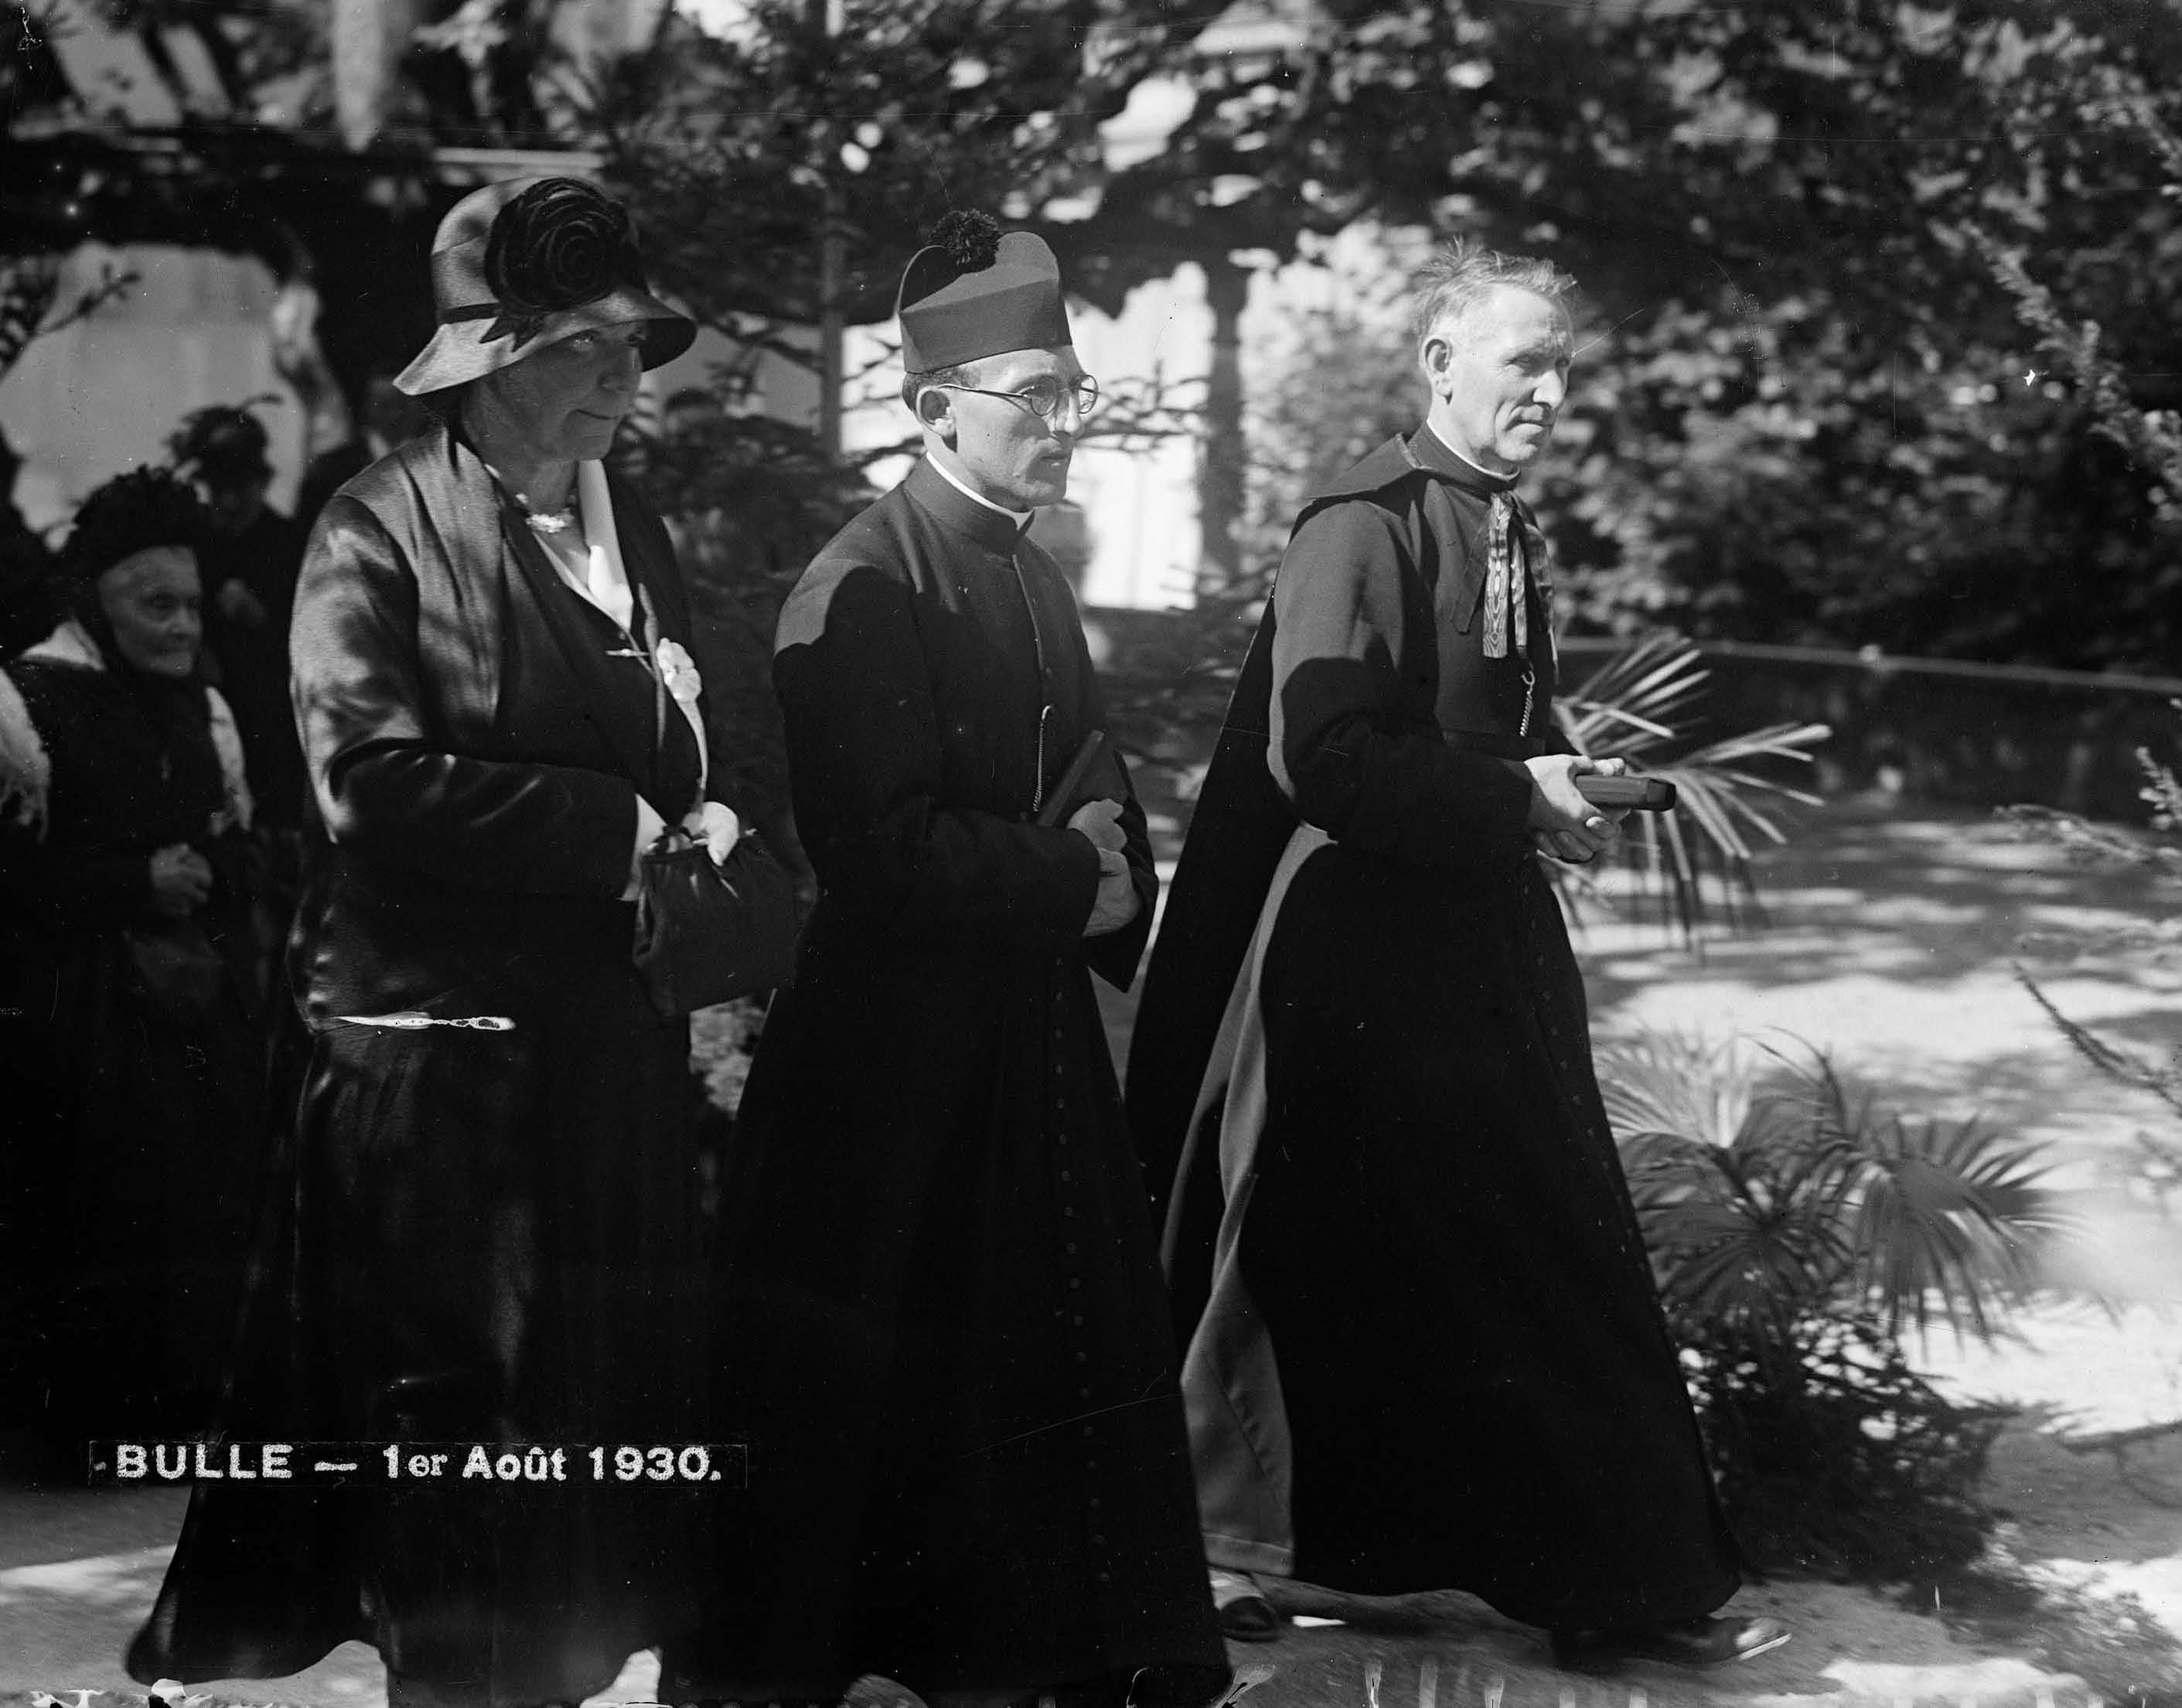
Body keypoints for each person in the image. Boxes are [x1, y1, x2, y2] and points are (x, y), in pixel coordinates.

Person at [1122, 245, 1791, 1675]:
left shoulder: (1496, 517)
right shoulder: (1356, 521)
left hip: (1469, 936)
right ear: (1438, 363)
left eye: (1561, 368)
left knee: (1526, 1244)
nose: (1549, 390)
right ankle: (1241, 1552)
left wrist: (1559, 790)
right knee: (1301, 1267)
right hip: (1348, 962)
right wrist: (1514, 801)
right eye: (1521, 363)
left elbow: (1482, 726)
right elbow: (1325, 755)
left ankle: (1615, 1574)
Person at [128, 175, 731, 1707]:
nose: (626, 381)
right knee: (455, 1414)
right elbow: (366, 783)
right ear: (497, 359)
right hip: (432, 1056)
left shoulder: (627, 526)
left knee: (590, 1416)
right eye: (591, 350)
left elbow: (681, 734)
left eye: (633, 349)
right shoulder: (376, 524)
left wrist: (710, 825)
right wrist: (622, 832)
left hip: (598, 1045)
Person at [695, 211, 1229, 1707]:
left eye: (1072, 393)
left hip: (1022, 1040)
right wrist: (1075, 873)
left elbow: (1083, 777)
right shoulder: (857, 585)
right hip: (891, 1064)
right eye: (1032, 397)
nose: (1064, 424)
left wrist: (1113, 866)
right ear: (935, 409)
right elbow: (880, 848)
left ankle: (1023, 1648)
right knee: (885, 1367)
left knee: (1017, 1360)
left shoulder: (1031, 573)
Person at [0, 466, 266, 1455]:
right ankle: (61, 1432)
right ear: (93, 600)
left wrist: (213, 872)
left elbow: (240, 846)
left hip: (184, 1026)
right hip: (62, 1032)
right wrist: (129, 884)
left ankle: (171, 1420)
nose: (181, 625)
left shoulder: (204, 709)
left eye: (193, 605)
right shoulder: (9, 706)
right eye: (155, 603)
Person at [169, 402, 309, 832]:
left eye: (241, 487)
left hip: (271, 728)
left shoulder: (292, 545)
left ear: (264, 481)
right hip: (199, 721)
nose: (229, 502)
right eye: (218, 487)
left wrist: (265, 621)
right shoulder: (191, 542)